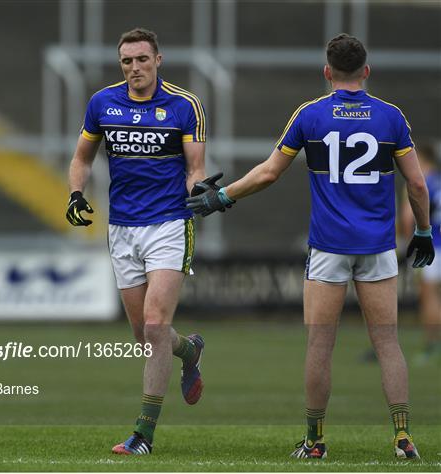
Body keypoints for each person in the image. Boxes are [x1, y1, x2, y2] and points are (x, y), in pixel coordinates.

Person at [187, 33, 435, 460]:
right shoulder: (391, 117)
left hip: (328, 247)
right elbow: (415, 182)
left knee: (320, 345)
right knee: (388, 342)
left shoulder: (311, 115)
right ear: (366, 71)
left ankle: (315, 441)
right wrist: (425, 231)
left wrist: (222, 196)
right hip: (376, 247)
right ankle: (403, 436)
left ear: (327, 72)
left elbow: (268, 173)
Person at [66, 27, 215, 456]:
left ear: (158, 60)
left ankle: (143, 434)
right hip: (122, 228)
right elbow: (81, 158)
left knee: (154, 324)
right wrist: (76, 192)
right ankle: (189, 351)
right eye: (127, 61)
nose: (135, 68)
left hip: (169, 223)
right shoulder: (102, 103)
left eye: (142, 60)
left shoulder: (186, 106)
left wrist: (199, 191)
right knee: (145, 336)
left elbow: (195, 167)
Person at [400, 143, 441, 363]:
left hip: (432, 248)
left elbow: (408, 218)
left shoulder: (420, 182)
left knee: (430, 297)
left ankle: (433, 344)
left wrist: (409, 245)